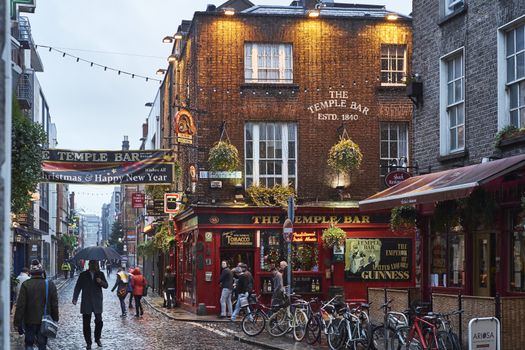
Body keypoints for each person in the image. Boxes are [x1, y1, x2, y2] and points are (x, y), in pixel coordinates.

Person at [14, 259, 59, 350]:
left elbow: (20, 305)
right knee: (42, 344)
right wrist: (55, 318)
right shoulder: (50, 284)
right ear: (42, 272)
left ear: (31, 273)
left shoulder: (26, 285)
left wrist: (17, 322)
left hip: (29, 320)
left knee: (29, 343)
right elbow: (54, 304)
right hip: (44, 320)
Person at [72, 260, 109, 349]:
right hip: (86, 301)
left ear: (97, 265)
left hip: (97, 301)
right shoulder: (83, 275)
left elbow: (106, 285)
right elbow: (78, 287)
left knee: (99, 321)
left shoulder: (100, 274)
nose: (93, 266)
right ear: (89, 265)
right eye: (91, 264)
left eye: (95, 264)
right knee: (86, 324)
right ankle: (88, 342)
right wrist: (75, 298)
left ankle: (97, 338)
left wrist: (100, 281)